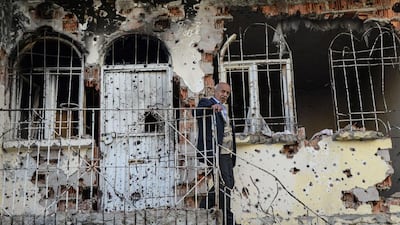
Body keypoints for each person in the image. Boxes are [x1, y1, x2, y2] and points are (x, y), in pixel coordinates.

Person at [195, 82, 237, 225]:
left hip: (227, 153)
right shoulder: (206, 102)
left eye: (227, 93)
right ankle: (227, 218)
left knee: (226, 183)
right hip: (216, 152)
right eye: (223, 92)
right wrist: (211, 107)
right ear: (215, 91)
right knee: (225, 184)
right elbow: (197, 111)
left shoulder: (224, 108)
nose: (225, 95)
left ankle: (204, 207)